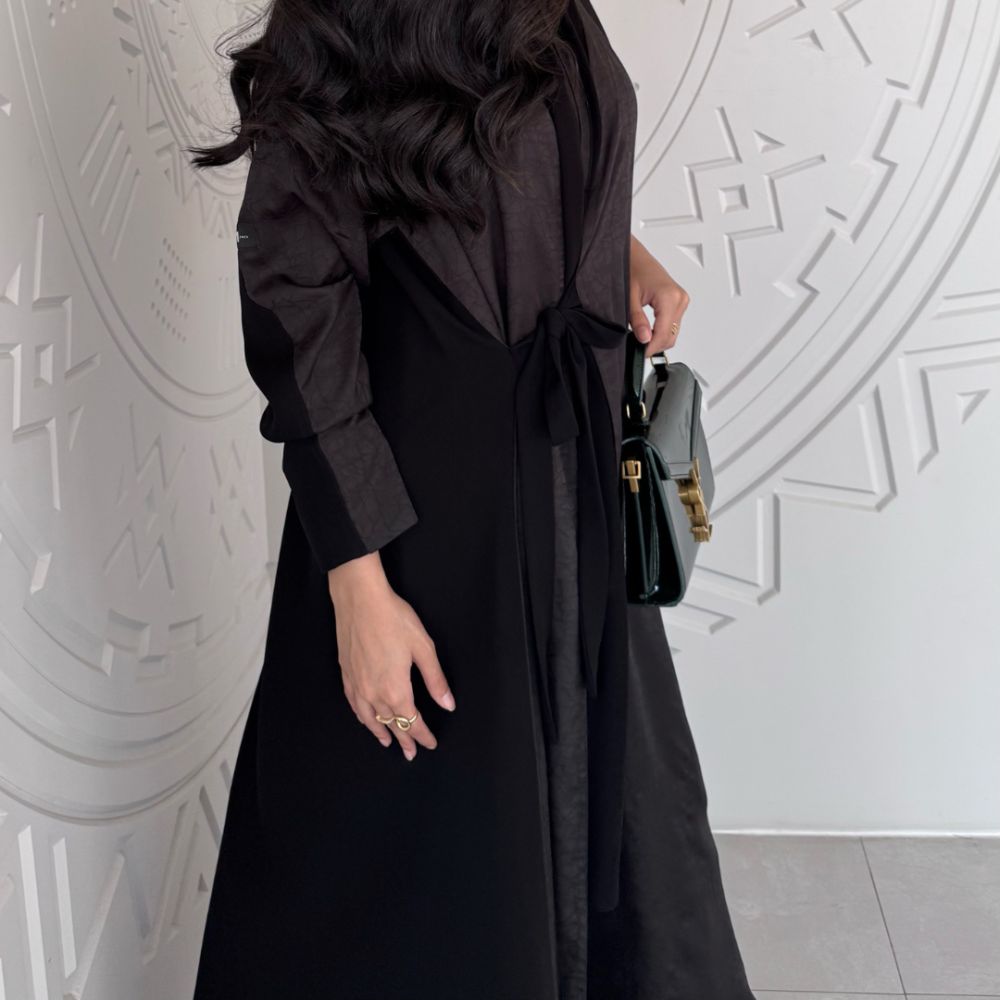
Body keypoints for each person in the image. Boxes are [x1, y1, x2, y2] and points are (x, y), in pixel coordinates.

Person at [189, 0, 754, 996]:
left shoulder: (548, 10)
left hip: (572, 489)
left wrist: (612, 250)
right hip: (425, 527)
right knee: (429, 885)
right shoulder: (341, 28)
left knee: (620, 847)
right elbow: (301, 323)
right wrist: (360, 588)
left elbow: (520, 160)